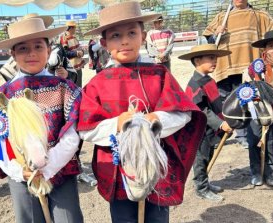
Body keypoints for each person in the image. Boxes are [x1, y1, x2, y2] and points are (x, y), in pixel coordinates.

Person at [77, 2, 207, 222]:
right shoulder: (97, 83)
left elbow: (183, 113)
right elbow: (86, 129)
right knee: (123, 217)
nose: (125, 41)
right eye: (116, 36)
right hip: (117, 168)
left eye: (131, 33)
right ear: (104, 42)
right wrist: (117, 125)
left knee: (157, 217)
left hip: (157, 164)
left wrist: (157, 120)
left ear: (143, 36)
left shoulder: (159, 74)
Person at [0, 18, 83, 222]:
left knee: (68, 219)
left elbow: (72, 136)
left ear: (49, 49)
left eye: (38, 46)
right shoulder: (1, 97)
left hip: (61, 169)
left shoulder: (65, 88)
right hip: (23, 174)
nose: (31, 53)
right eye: (23, 49)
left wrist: (48, 167)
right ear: (12, 54)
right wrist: (19, 171)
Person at [203, 0, 273, 147]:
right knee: (225, 104)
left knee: (248, 102)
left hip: (249, 69)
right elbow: (209, 41)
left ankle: (245, 136)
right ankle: (222, 134)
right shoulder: (221, 17)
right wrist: (216, 33)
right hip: (226, 67)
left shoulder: (259, 15)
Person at [179, 44, 232, 201]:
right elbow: (202, 110)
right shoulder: (195, 83)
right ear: (197, 61)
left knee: (208, 155)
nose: (214, 61)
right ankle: (201, 188)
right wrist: (221, 124)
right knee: (200, 159)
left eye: (215, 58)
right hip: (199, 129)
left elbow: (215, 104)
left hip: (210, 128)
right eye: (210, 58)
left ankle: (206, 183)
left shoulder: (209, 80)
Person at [243, 29, 273, 187]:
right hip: (256, 111)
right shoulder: (255, 67)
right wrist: (259, 98)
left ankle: (269, 173)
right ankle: (256, 172)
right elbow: (247, 86)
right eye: (271, 45)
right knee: (254, 140)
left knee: (270, 141)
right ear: (264, 49)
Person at [60, 20, 85, 87]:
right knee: (73, 88)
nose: (75, 29)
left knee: (79, 86)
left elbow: (80, 48)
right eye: (75, 28)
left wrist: (82, 52)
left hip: (78, 66)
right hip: (71, 68)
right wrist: (76, 53)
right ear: (71, 28)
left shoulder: (74, 37)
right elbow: (64, 53)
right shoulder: (64, 38)